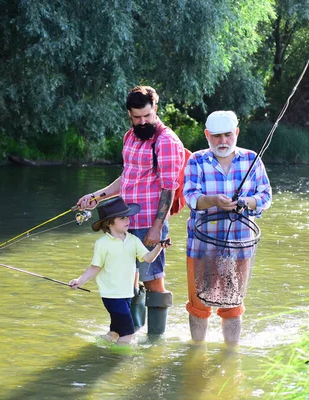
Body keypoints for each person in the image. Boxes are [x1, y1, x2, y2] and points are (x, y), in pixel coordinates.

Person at [76, 86, 184, 335]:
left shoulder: (166, 141)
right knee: (126, 279)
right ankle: (130, 331)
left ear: (155, 109)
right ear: (129, 114)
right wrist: (97, 196)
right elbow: (127, 177)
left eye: (147, 115)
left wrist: (157, 227)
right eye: (137, 117)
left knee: (153, 278)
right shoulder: (129, 136)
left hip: (149, 222)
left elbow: (169, 188)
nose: (143, 121)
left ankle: (156, 339)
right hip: (123, 223)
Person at [183, 110, 272, 346]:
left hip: (239, 247)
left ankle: (231, 354)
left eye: (227, 135)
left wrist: (244, 203)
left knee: (233, 306)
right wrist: (213, 201)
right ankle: (197, 351)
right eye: (216, 136)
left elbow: (265, 197)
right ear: (207, 135)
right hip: (201, 246)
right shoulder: (196, 160)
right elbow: (190, 197)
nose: (222, 141)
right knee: (198, 306)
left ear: (237, 133)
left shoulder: (252, 159)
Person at [69, 197, 170, 345]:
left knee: (116, 331)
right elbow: (94, 267)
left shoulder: (133, 240)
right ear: (110, 222)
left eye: (127, 217)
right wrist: (79, 281)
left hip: (126, 294)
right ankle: (121, 361)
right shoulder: (102, 243)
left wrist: (159, 246)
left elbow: (148, 258)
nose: (127, 220)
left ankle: (101, 344)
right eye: (122, 218)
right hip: (111, 296)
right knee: (128, 334)